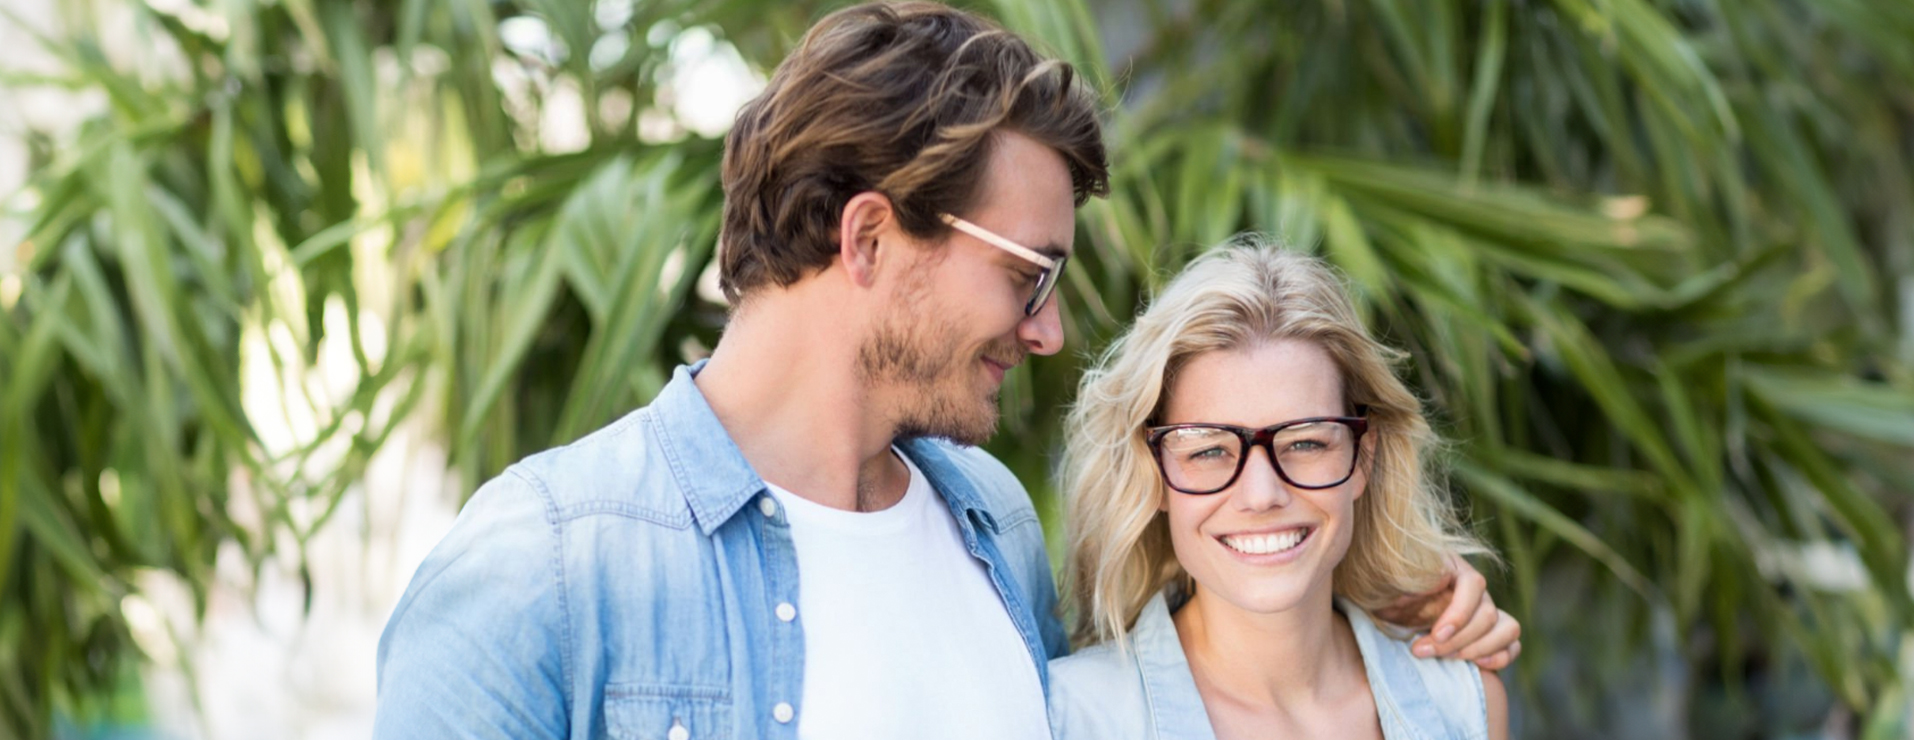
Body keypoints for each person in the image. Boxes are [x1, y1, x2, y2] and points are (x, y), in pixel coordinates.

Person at [374, 4, 1516, 738]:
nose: (1049, 330)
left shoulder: (994, 527)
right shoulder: (545, 568)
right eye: (1028, 273)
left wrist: (1390, 605)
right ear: (869, 239)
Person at [1050, 244, 1512, 739]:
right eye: (1208, 450)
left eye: (1306, 442)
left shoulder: (1465, 705)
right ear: (1154, 471)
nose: (1261, 494)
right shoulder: (1071, 717)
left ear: (1364, 456)